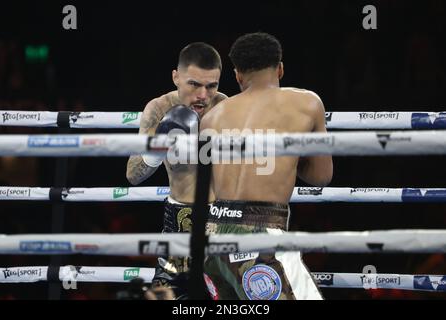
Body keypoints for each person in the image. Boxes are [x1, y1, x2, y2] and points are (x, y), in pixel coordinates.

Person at [200, 32, 333, 300]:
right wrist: (286, 157)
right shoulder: (307, 102)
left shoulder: (210, 117)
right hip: (259, 235)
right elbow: (321, 176)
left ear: (237, 75)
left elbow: (208, 185)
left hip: (210, 237)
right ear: (280, 68)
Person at [126, 42, 227, 299]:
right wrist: (158, 146)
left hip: (223, 221)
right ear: (176, 77)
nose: (203, 95)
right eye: (194, 84)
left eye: (211, 86)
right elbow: (133, 175)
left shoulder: (227, 109)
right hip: (179, 222)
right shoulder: (159, 109)